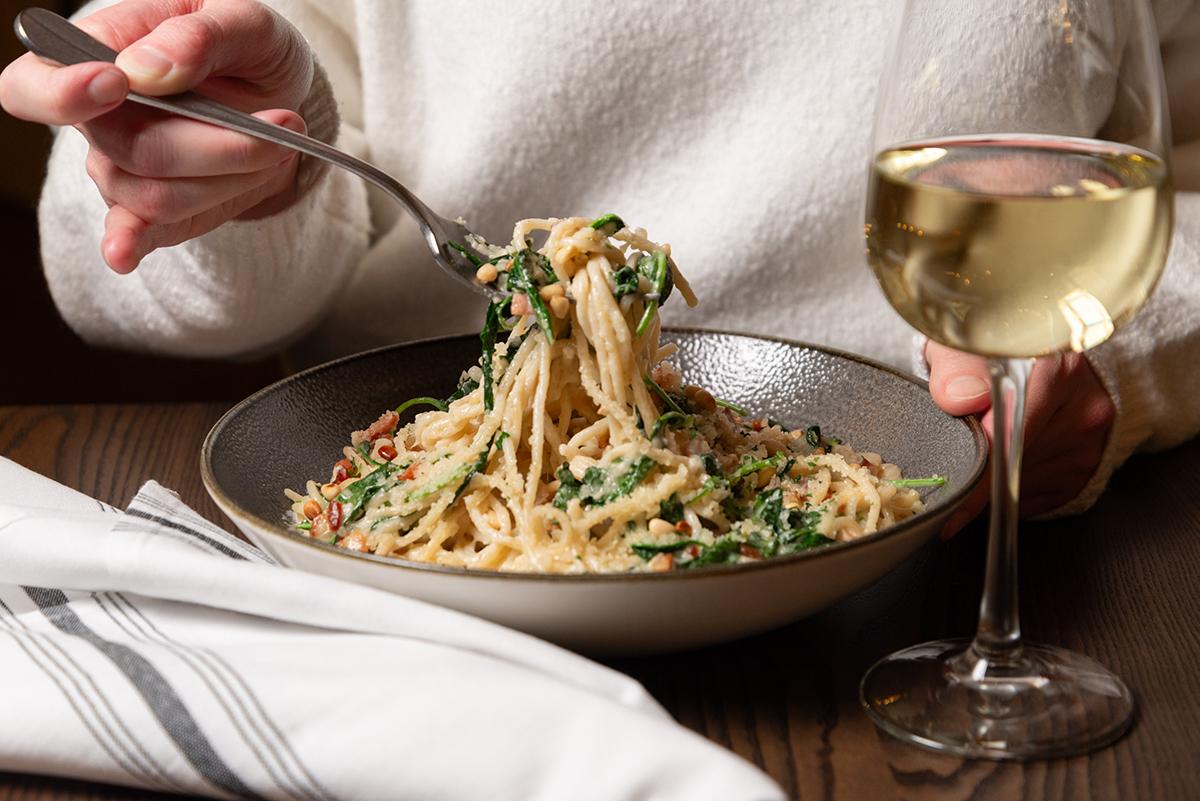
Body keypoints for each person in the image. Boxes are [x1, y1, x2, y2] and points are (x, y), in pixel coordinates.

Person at [3, 0, 1198, 530]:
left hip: (931, 527)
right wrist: (263, 180)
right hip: (387, 540)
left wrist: (1123, 353)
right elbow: (115, 277)